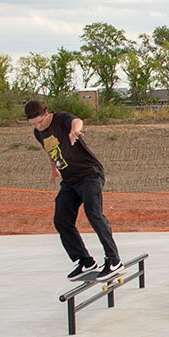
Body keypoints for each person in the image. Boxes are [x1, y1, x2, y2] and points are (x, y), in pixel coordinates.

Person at [25, 100, 120, 279]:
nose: (38, 126)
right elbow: (49, 150)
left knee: (94, 214)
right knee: (61, 219)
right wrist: (53, 169)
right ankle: (85, 261)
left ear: (46, 112)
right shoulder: (38, 133)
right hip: (69, 181)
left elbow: (76, 121)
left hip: (89, 175)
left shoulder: (61, 119)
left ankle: (114, 260)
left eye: (40, 122)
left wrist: (75, 130)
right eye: (33, 124)